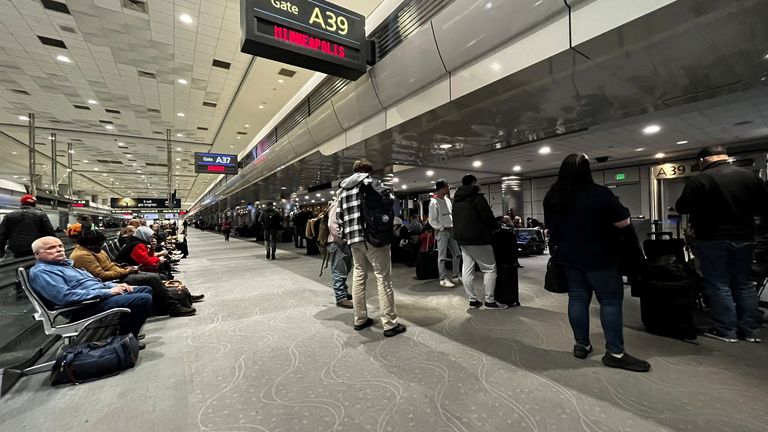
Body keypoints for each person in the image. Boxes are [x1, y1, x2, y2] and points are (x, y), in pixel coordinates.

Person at [544, 153, 650, 372]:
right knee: (610, 301)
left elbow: (551, 227)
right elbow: (622, 222)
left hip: (568, 257)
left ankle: (581, 345)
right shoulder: (598, 194)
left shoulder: (553, 196)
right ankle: (615, 353)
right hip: (600, 256)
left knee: (577, 299)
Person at [676, 146, 768, 343]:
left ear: (703, 161)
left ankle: (727, 330)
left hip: (711, 238)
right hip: (744, 238)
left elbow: (682, 206)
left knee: (719, 284)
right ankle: (749, 330)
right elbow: (763, 207)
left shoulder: (700, 179)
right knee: (744, 284)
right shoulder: (750, 177)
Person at [29, 236, 152, 342]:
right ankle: (124, 339)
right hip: (83, 307)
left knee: (145, 289)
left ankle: (126, 331)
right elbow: (65, 297)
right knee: (142, 299)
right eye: (51, 248)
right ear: (37, 254)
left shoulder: (66, 265)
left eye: (60, 246)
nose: (59, 249)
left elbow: (93, 282)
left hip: (97, 298)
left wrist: (115, 286)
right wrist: (108, 292)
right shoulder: (42, 272)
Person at [337, 159, 406, 337]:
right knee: (383, 278)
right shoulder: (371, 182)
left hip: (353, 239)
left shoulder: (342, 190)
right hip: (373, 237)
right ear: (368, 170)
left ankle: (360, 319)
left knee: (359, 276)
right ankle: (390, 324)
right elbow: (389, 202)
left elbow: (339, 216)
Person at [70, 230, 197, 317]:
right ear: (89, 244)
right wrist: (125, 271)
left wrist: (125, 269)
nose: (101, 247)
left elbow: (111, 265)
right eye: (99, 244)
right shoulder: (83, 255)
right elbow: (101, 275)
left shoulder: (94, 250)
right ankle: (174, 307)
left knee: (159, 277)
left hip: (120, 273)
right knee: (153, 279)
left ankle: (176, 301)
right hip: (112, 282)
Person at [452, 175, 507, 310]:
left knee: (467, 268)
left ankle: (472, 300)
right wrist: (496, 226)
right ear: (474, 183)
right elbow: (488, 217)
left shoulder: (456, 200)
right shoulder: (477, 198)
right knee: (489, 269)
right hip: (479, 239)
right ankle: (489, 301)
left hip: (462, 239)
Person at [428, 179, 462, 288]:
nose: (448, 189)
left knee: (457, 254)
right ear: (441, 188)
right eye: (447, 187)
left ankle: (456, 275)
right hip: (442, 232)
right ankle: (442, 278)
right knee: (441, 256)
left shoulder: (447, 200)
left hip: (451, 230)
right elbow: (432, 220)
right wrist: (441, 228)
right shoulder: (433, 202)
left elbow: (450, 214)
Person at [0, 194, 55, 258]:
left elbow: (2, 235)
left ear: (21, 203)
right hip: (35, 248)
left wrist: (1, 252)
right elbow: (49, 232)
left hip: (15, 249)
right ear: (34, 204)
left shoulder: (9, 216)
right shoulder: (41, 215)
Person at [326, 190, 353, 309]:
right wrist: (341, 239)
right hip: (337, 243)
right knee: (339, 270)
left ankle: (343, 292)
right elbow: (332, 224)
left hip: (342, 242)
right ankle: (341, 298)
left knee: (345, 269)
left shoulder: (341, 203)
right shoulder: (337, 204)